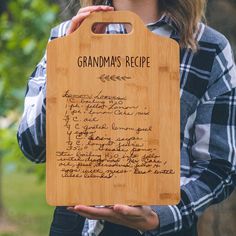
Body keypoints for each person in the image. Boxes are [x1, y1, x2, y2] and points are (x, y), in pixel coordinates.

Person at [17, 0, 236, 235]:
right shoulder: (68, 35)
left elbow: (220, 165)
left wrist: (160, 217)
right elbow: (33, 147)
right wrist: (66, 65)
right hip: (75, 222)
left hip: (165, 226)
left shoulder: (208, 46)